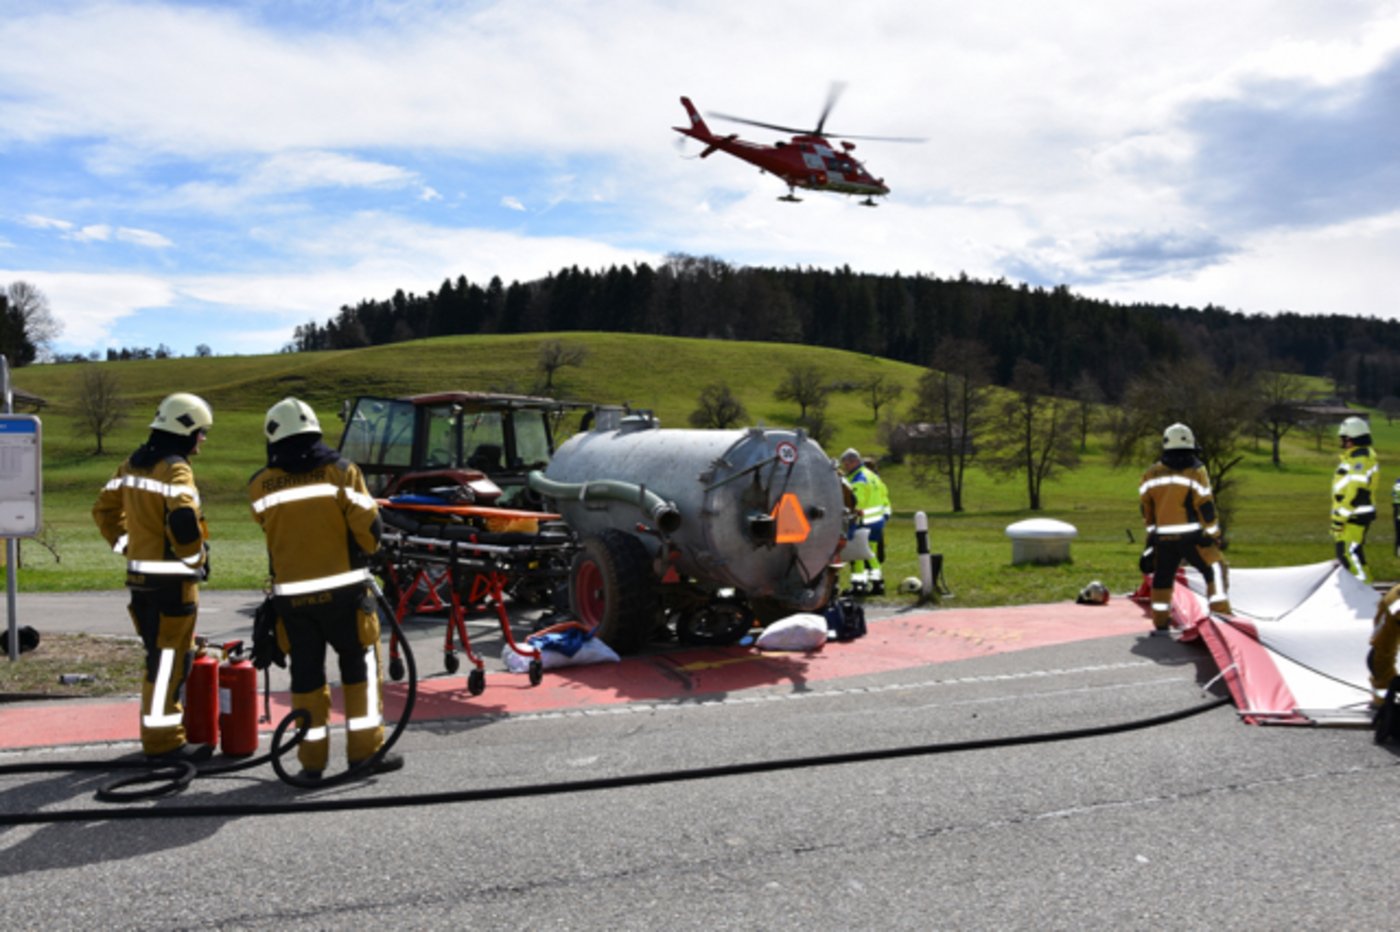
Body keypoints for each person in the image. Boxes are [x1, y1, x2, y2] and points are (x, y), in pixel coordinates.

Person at [247, 397, 399, 781]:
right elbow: (370, 529)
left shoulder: (261, 485)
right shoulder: (342, 472)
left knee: (307, 679)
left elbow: (268, 525)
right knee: (360, 673)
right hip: (347, 597)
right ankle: (364, 754)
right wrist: (370, 553)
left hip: (294, 604)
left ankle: (311, 762)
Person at [92, 392, 214, 761]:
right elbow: (182, 519)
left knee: (156, 660)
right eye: (201, 432)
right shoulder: (175, 468)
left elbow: (103, 510)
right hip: (173, 585)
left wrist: (128, 546)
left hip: (140, 583)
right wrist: (195, 559)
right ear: (185, 429)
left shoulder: (130, 465)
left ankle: (158, 735)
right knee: (171, 664)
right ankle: (164, 744)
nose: (203, 440)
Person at [1138, 423, 1231, 635]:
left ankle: (1160, 621)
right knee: (1215, 569)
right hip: (1192, 537)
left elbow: (1146, 508)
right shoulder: (1196, 471)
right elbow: (1205, 505)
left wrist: (1153, 534)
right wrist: (1213, 533)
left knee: (1163, 577)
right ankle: (1222, 616)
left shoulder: (1150, 474)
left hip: (1163, 538)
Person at [1332, 416, 1380, 584]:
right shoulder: (1356, 457)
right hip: (1353, 514)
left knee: (1348, 555)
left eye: (1343, 438)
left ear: (1351, 439)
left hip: (1354, 515)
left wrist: (1340, 518)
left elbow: (1355, 491)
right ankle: (1365, 594)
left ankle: (1365, 595)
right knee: (1353, 553)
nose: (1341, 441)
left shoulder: (1360, 459)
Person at [840, 448, 891, 596]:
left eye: (847, 463)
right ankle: (877, 583)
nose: (845, 467)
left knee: (857, 553)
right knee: (871, 553)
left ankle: (858, 585)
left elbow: (856, 502)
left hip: (863, 520)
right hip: (877, 520)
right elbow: (884, 495)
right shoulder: (873, 476)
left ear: (855, 461)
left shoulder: (858, 479)